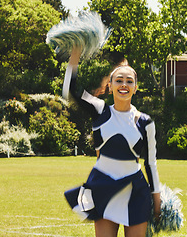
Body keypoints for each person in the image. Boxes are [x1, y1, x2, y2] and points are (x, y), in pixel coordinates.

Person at [63, 48, 161, 237]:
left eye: (129, 81)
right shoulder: (99, 110)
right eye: (119, 80)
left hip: (135, 191)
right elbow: (70, 90)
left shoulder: (145, 121)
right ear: (110, 85)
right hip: (103, 188)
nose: (124, 84)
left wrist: (156, 199)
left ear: (135, 87)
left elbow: (150, 163)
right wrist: (74, 56)